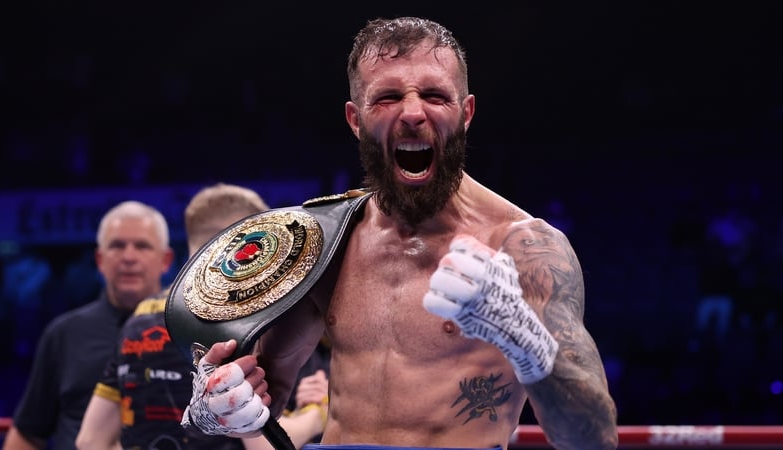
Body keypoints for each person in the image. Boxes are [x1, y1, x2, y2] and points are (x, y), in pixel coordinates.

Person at [181, 17, 618, 450]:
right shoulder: (327, 241)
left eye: (434, 95)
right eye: (388, 97)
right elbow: (260, 396)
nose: (412, 112)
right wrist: (219, 402)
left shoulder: (524, 249)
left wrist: (523, 337)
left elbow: (592, 439)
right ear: (355, 119)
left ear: (465, 113)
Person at [75, 183, 329, 450]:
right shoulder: (236, 325)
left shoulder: (138, 320)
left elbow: (90, 441)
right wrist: (319, 413)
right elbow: (261, 445)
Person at [4, 200, 175, 450]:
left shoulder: (187, 334)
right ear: (99, 259)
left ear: (166, 260)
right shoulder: (64, 334)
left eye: (142, 246)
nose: (129, 257)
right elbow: (28, 432)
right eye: (117, 245)